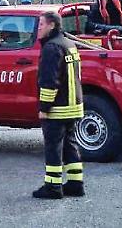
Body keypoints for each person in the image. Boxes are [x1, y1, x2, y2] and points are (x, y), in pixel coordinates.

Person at [33, 11, 85, 199]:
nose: (38, 29)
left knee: (53, 147)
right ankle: (75, 183)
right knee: (70, 145)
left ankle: (53, 187)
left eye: (41, 25)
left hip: (58, 108)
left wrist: (44, 108)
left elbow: (49, 81)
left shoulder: (51, 48)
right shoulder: (69, 44)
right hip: (73, 106)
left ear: (52, 25)